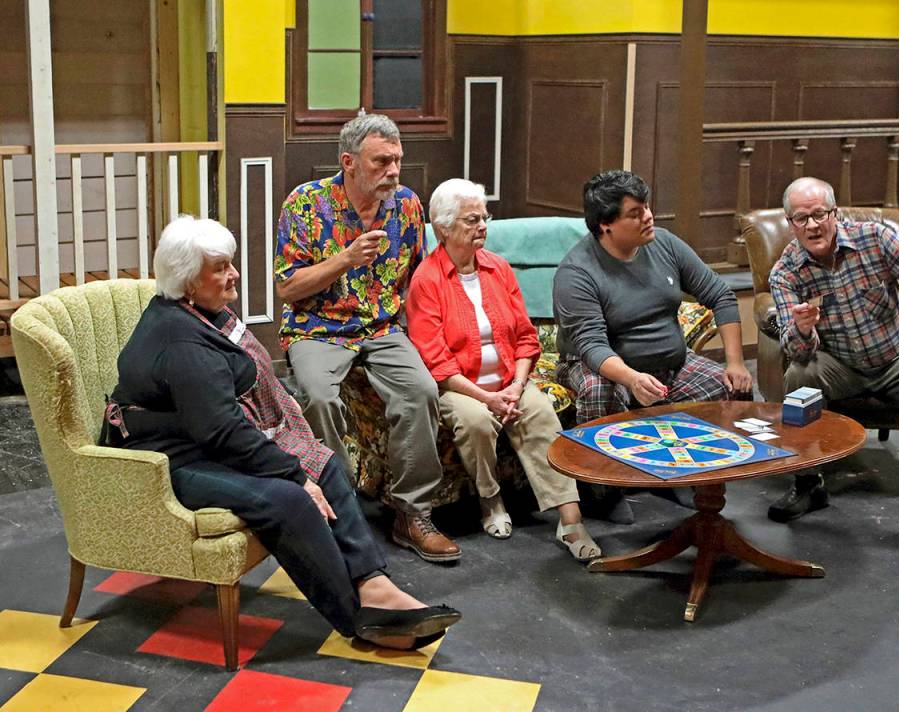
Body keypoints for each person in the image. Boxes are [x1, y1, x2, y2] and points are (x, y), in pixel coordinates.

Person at [105, 216, 460, 649]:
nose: (233, 274)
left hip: (199, 439)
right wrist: (293, 476)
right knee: (289, 498)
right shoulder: (184, 343)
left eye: (230, 263)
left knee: (323, 463)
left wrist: (302, 468)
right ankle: (358, 619)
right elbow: (221, 432)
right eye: (220, 267)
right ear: (188, 281)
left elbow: (222, 423)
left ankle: (373, 583)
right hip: (166, 460)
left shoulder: (201, 312)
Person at [275, 114, 459, 563]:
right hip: (318, 327)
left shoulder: (408, 206)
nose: (393, 171)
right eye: (381, 161)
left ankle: (411, 514)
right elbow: (287, 287)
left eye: (397, 160)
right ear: (349, 162)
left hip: (382, 327)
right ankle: (341, 511)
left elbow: (418, 280)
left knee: (419, 390)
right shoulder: (305, 204)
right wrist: (345, 259)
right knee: (318, 397)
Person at [768, 177, 899, 561]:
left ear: (835, 213)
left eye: (819, 214)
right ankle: (809, 482)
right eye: (801, 218)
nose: (812, 225)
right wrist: (802, 329)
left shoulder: (876, 240)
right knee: (798, 378)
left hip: (896, 353)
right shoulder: (786, 272)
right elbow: (796, 350)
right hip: (838, 361)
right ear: (791, 224)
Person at [406, 179, 601, 561]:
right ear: (443, 228)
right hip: (461, 388)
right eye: (471, 219)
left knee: (541, 413)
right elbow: (437, 363)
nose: (483, 226)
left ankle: (571, 521)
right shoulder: (426, 281)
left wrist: (515, 386)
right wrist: (488, 398)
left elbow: (527, 339)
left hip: (509, 381)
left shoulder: (497, 268)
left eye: (485, 217)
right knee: (476, 421)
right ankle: (490, 500)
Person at [552, 170, 753, 522]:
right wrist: (631, 378)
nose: (648, 217)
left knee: (731, 389)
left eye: (647, 207)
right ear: (605, 225)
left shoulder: (664, 243)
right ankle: (603, 490)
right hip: (599, 364)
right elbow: (592, 346)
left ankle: (683, 473)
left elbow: (720, 295)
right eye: (634, 213)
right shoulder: (577, 272)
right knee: (600, 390)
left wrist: (736, 362)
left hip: (671, 362)